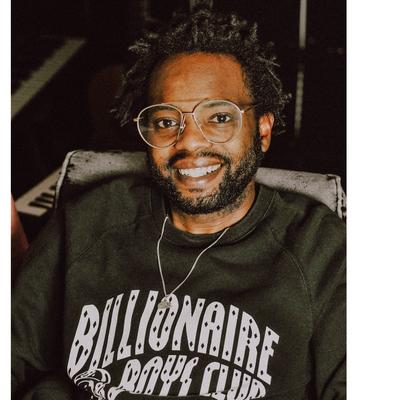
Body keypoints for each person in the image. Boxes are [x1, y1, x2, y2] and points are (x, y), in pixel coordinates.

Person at [12, 6, 345, 400]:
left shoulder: (319, 249)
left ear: (262, 130)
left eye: (219, 118)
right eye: (167, 122)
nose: (188, 142)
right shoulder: (88, 221)